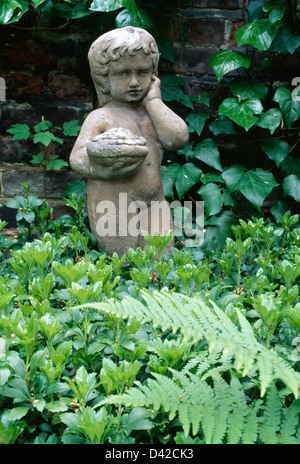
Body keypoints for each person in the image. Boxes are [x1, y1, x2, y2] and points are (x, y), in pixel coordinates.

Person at [70, 26, 189, 256]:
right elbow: (77, 157)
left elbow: (177, 139)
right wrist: (103, 169)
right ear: (105, 79)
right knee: (122, 261)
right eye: (123, 73)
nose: (134, 82)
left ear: (153, 74)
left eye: (143, 72)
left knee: (161, 258)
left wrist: (154, 101)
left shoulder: (153, 115)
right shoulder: (101, 117)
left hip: (155, 203)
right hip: (112, 201)